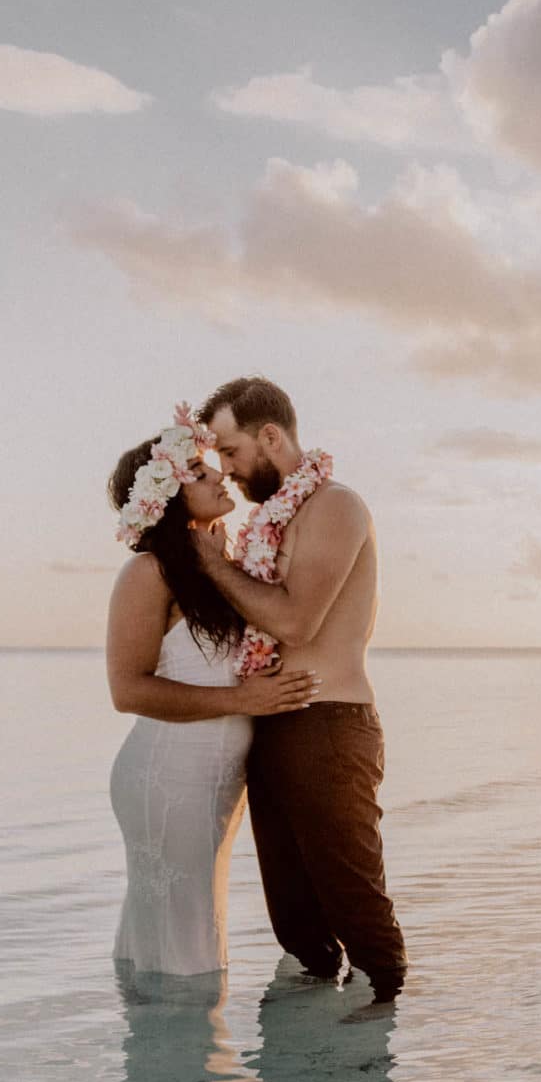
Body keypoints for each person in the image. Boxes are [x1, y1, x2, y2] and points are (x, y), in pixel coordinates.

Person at [190, 376, 408, 1005]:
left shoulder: (335, 506)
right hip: (276, 726)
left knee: (356, 908)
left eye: (231, 452)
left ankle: (371, 1071)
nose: (226, 471)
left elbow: (293, 620)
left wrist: (214, 564)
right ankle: (305, 1079)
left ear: (271, 436)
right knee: (296, 923)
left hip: (329, 725)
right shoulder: (268, 526)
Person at [105, 405, 320, 978]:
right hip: (168, 773)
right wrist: (242, 702)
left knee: (195, 925)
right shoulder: (149, 573)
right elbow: (127, 690)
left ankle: (180, 1057)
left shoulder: (218, 568)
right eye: (200, 473)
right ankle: (176, 1055)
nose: (220, 474)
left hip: (216, 781)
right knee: (182, 942)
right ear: (168, 500)